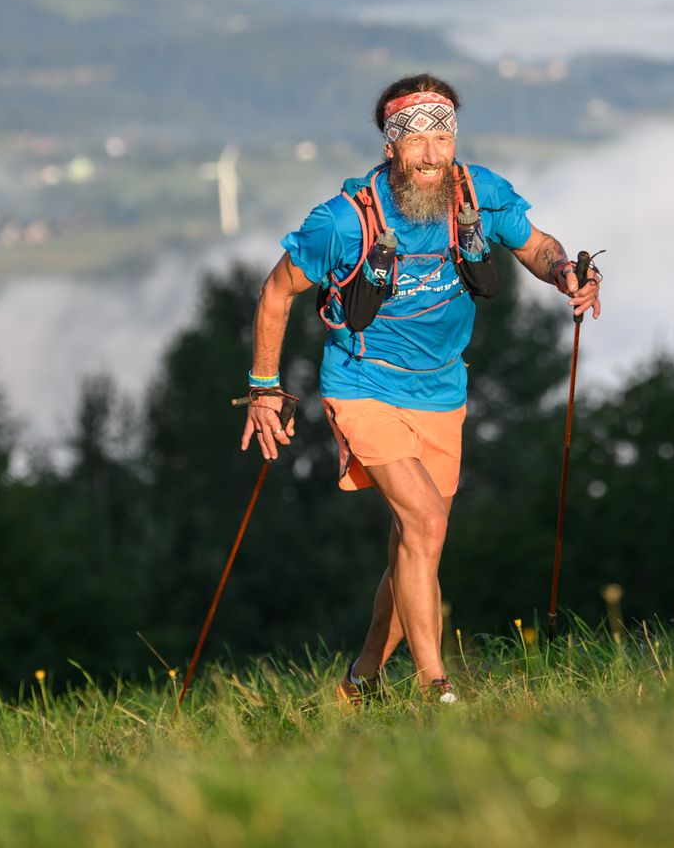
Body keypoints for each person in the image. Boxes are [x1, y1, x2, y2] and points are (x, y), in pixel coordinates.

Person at [239, 73, 602, 705]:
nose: (432, 154)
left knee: (416, 546)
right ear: (390, 148)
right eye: (417, 141)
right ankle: (437, 690)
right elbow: (275, 293)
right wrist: (265, 388)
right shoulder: (344, 222)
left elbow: (538, 246)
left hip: (441, 392)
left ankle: (359, 684)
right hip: (362, 386)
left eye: (444, 137)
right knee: (428, 522)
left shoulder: (477, 194)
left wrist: (568, 275)